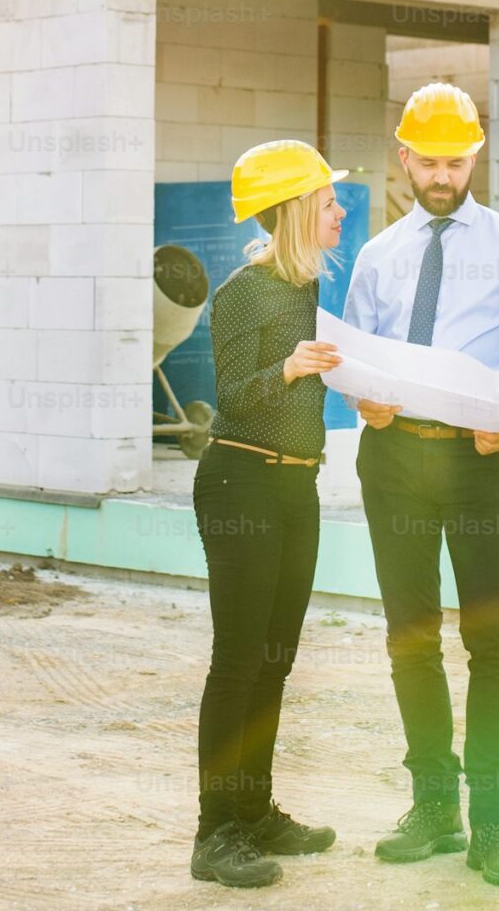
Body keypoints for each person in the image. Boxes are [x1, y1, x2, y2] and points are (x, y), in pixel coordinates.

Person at [341, 82, 499, 888]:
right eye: (430, 161)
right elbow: (355, 352)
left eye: (456, 162)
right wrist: (361, 395)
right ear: (404, 157)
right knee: (411, 634)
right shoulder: (378, 255)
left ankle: (493, 822)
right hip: (394, 459)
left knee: (493, 640)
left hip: (478, 461)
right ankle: (435, 806)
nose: (442, 176)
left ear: (476, 158)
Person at [190, 139, 350, 889]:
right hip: (241, 482)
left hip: (296, 487)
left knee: (277, 658)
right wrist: (288, 367)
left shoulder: (315, 291)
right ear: (294, 210)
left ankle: (253, 811)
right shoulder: (244, 292)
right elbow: (230, 397)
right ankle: (214, 831)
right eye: (328, 202)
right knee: (238, 660)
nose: (340, 212)